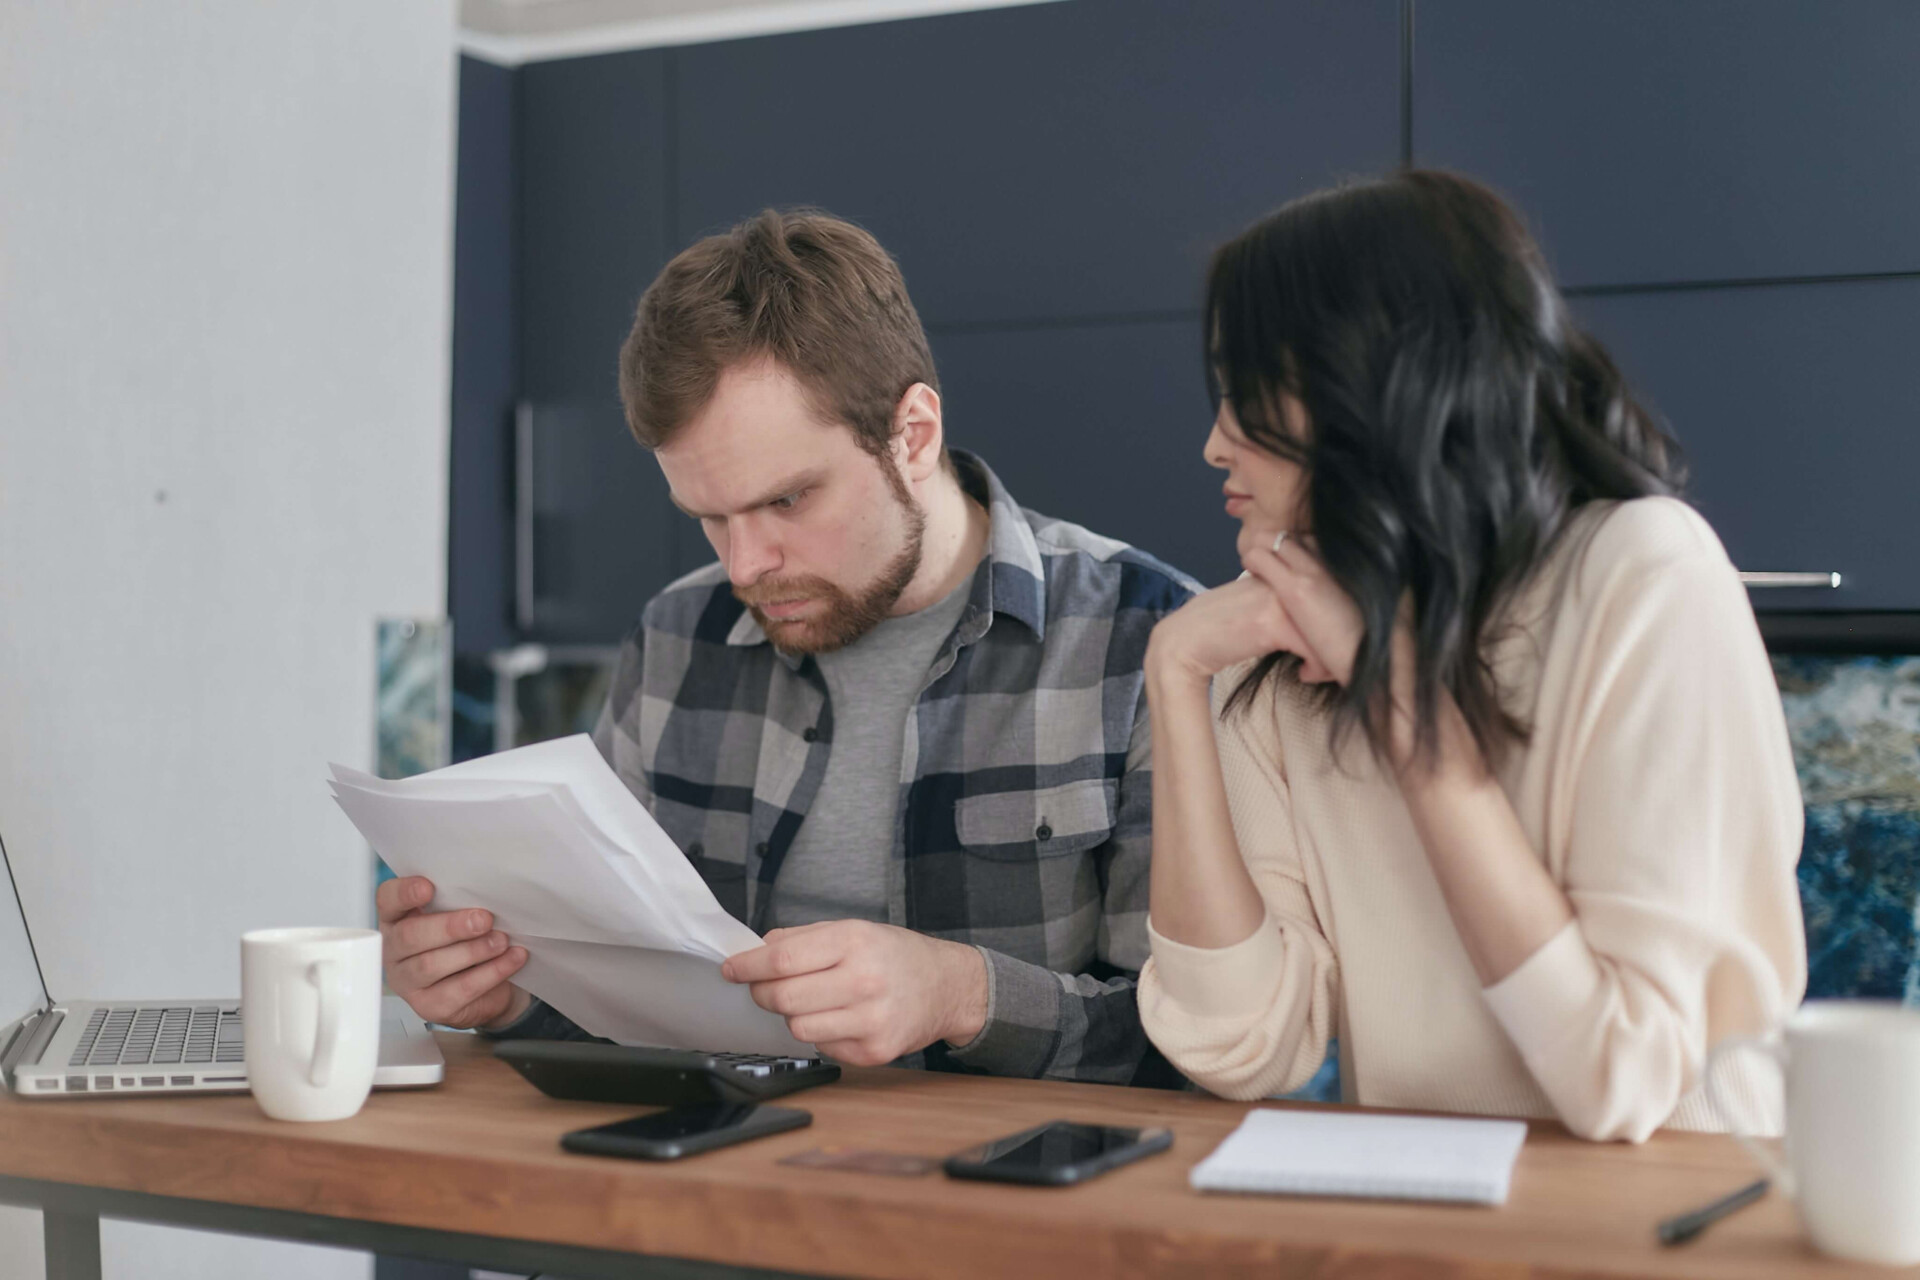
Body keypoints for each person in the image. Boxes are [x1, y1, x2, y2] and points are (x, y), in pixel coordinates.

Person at [379, 210, 1195, 1084]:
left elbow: (1206, 1045)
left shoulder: (1148, 643)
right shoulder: (674, 640)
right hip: (718, 1186)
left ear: (912, 436)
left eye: (789, 501)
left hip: (1013, 1204)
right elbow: (625, 1016)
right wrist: (506, 995)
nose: (745, 565)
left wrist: (963, 994)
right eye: (709, 518)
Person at [1136, 171, 1807, 1141]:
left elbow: (1625, 1075)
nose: (1213, 443)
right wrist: (1177, 677)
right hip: (1432, 1218)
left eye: (1244, 391)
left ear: (1365, 381)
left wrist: (1404, 708)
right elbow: (1238, 1046)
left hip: (1677, 1211)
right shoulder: (1273, 642)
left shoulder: (1643, 574)